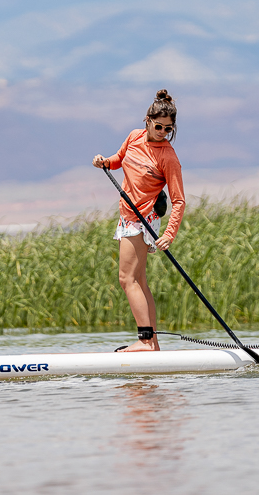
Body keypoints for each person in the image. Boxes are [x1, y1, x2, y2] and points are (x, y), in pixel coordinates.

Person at [93, 89, 185, 352]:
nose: (162, 132)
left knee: (127, 279)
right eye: (158, 126)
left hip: (143, 219)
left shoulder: (168, 157)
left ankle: (145, 340)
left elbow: (179, 200)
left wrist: (170, 234)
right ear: (147, 120)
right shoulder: (134, 137)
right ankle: (152, 343)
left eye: (168, 129)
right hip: (127, 215)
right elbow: (118, 160)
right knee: (139, 281)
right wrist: (104, 162)